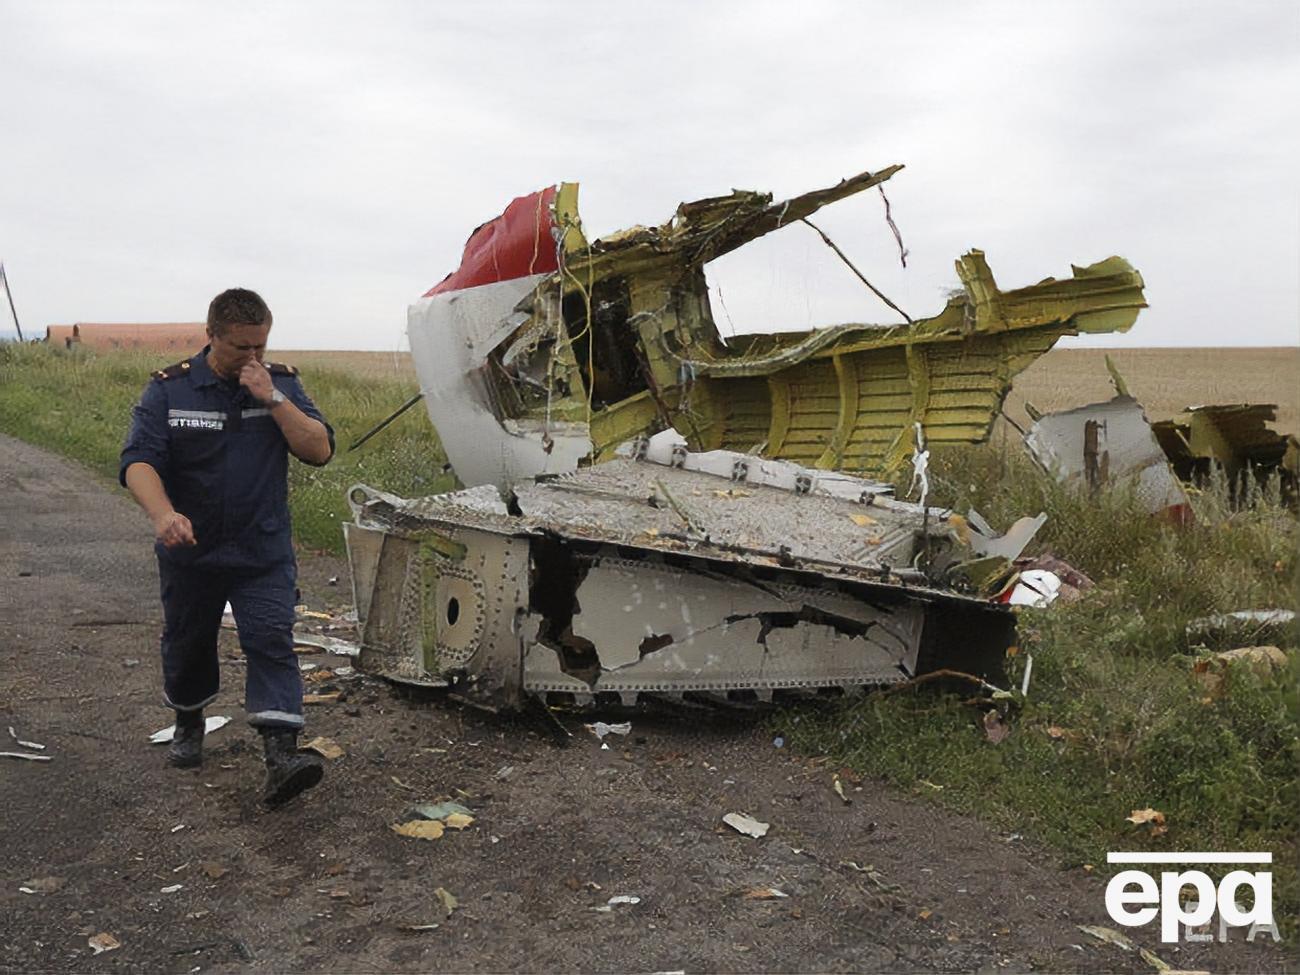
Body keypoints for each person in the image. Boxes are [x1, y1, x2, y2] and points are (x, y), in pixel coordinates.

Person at [120, 288, 335, 806]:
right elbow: (139, 461)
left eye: (261, 345)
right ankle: (189, 721)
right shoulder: (170, 390)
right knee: (189, 642)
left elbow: (318, 449)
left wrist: (273, 399)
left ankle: (281, 755)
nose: (253, 357)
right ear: (211, 336)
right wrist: (162, 514)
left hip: (260, 550)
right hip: (191, 552)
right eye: (241, 348)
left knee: (270, 638)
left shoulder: (280, 383)